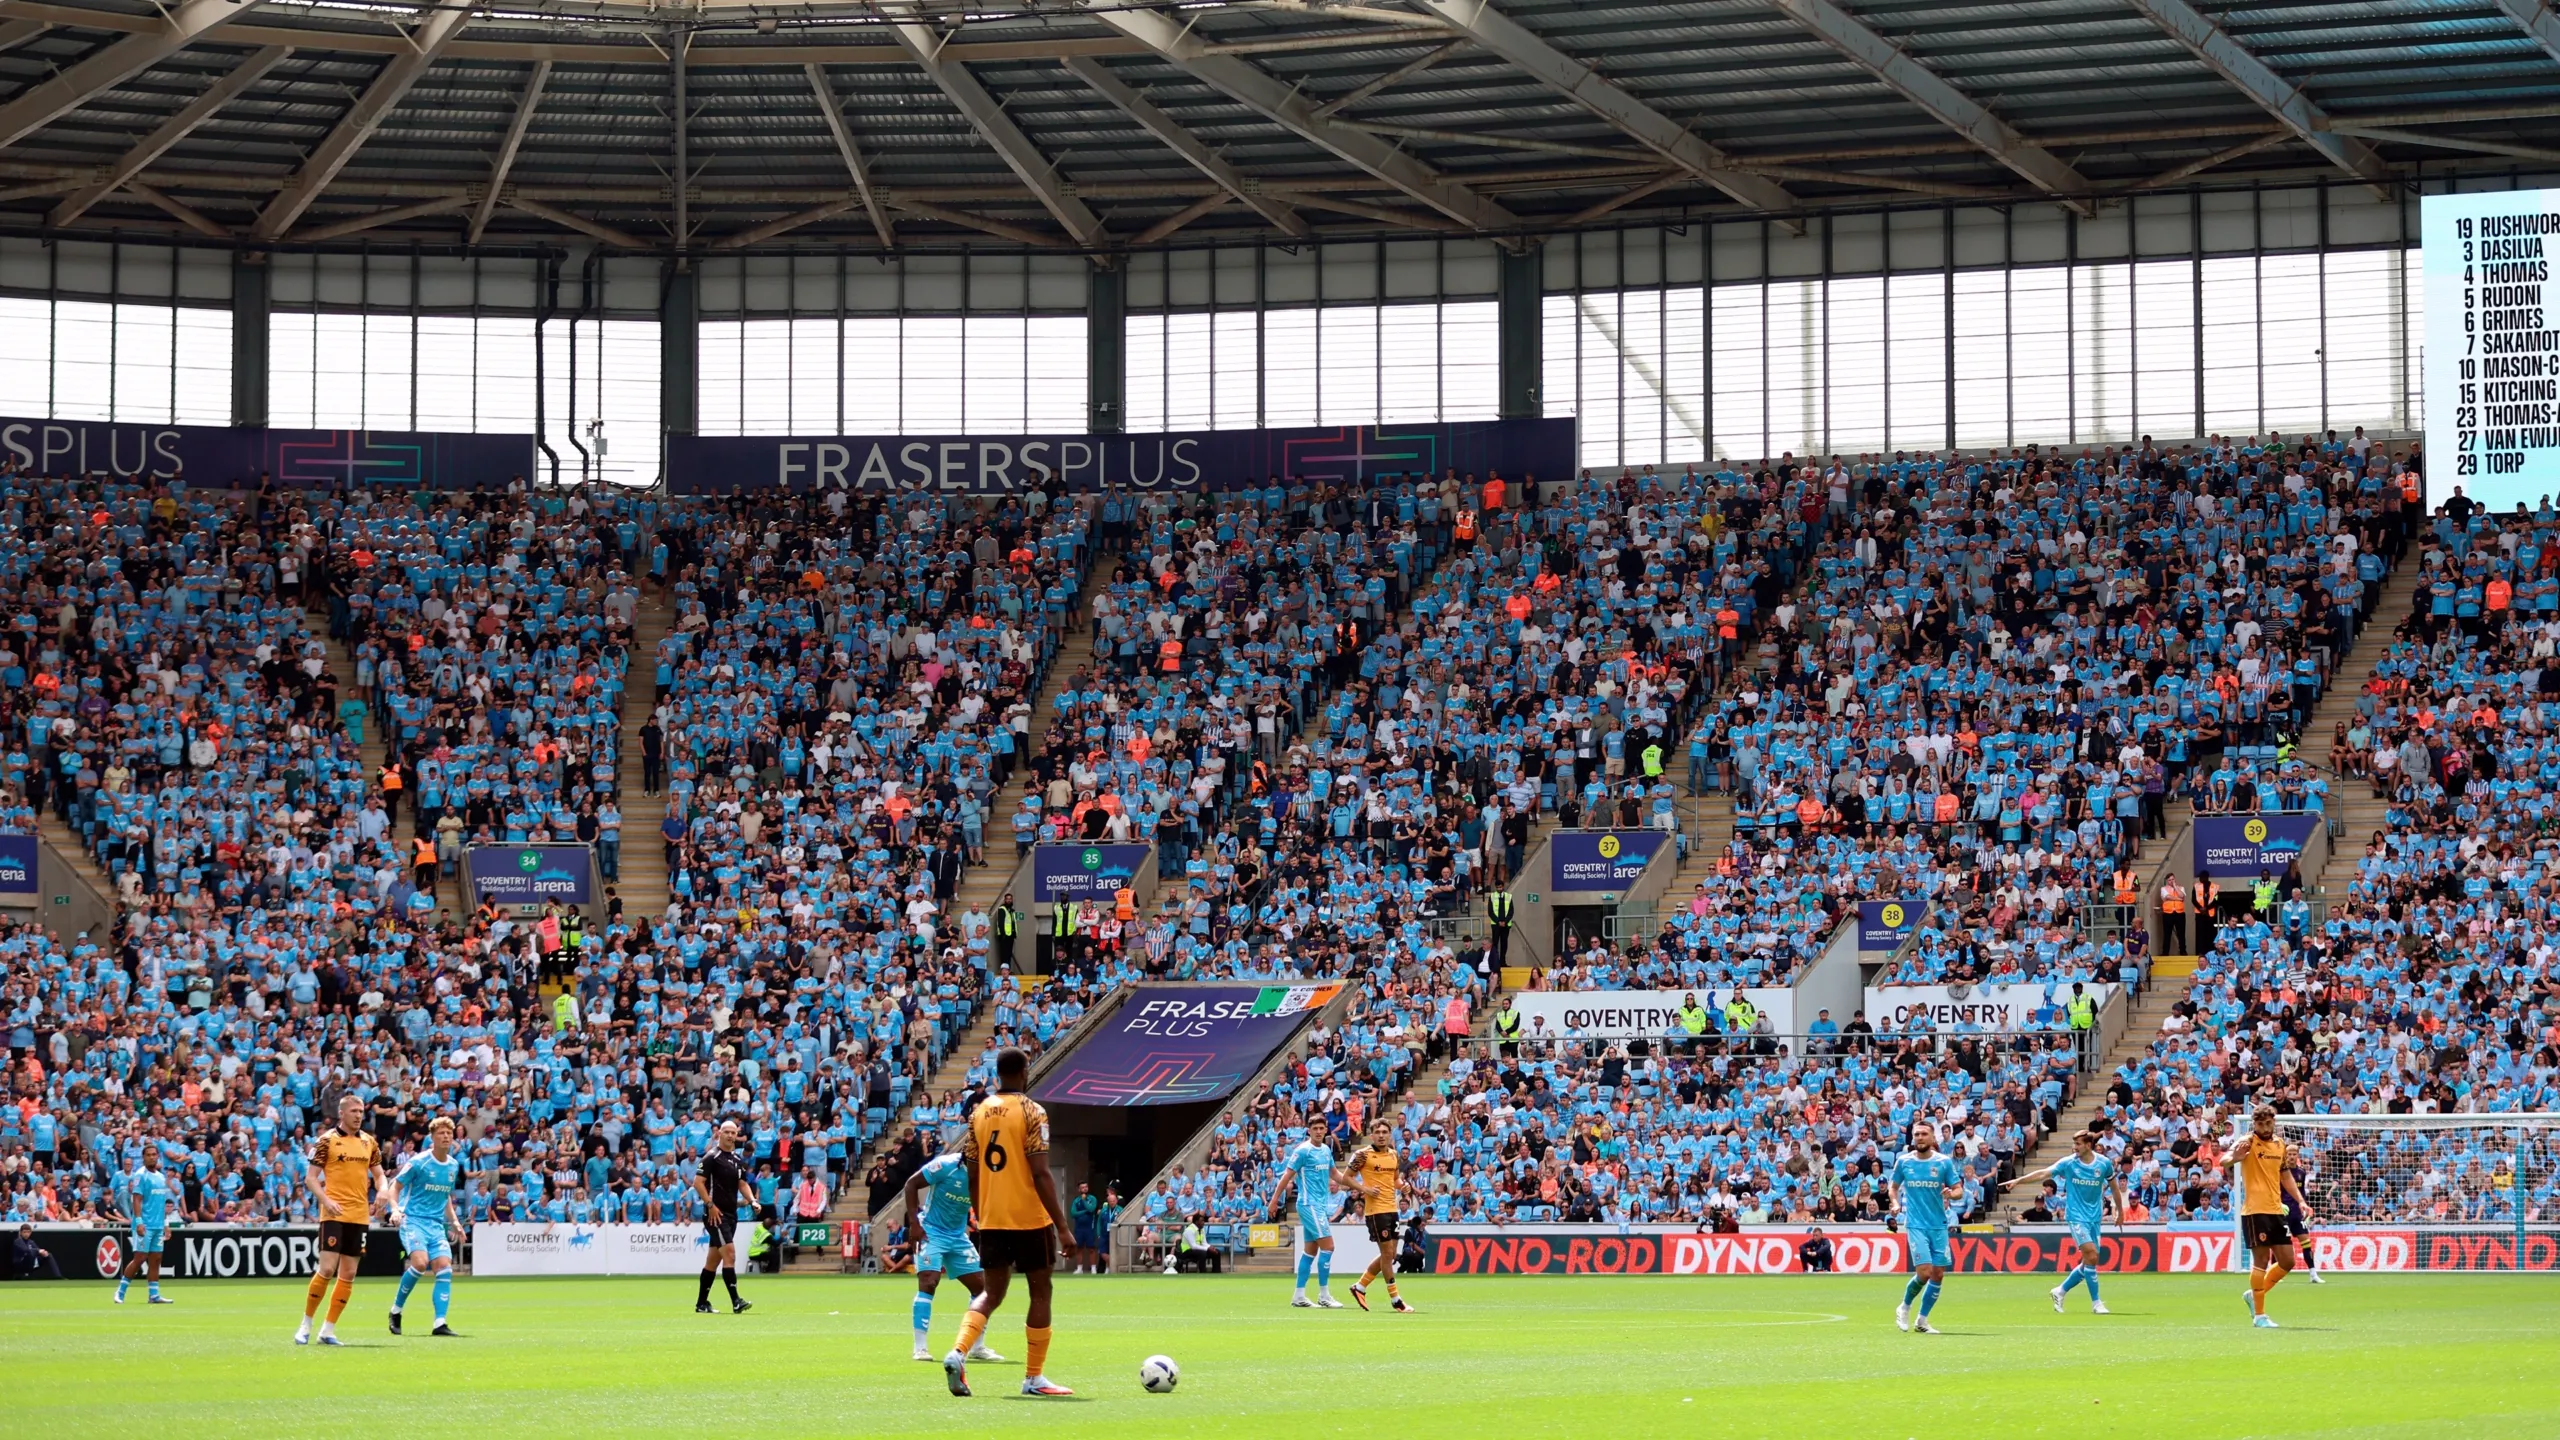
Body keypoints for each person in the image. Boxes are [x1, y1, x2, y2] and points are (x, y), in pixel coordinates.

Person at [943, 1048, 1075, 1399]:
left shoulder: (979, 1113)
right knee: (1041, 1291)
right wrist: (1062, 1227)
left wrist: (981, 1212)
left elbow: (973, 1173)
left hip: (992, 1218)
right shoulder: (1033, 1111)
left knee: (991, 1293)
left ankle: (958, 1351)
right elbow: (1041, 1172)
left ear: (998, 1074)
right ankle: (1034, 1378)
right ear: (1024, 1072)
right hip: (1029, 1217)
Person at [2004, 1129, 2126, 1315]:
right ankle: (2096, 1303)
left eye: (2078, 1144)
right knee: (2091, 1255)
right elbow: (2043, 1173)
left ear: (2088, 1145)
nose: (2074, 1147)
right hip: (2076, 1216)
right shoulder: (2069, 1163)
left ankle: (2060, 1291)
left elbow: (2114, 1188)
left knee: (2089, 1261)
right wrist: (2019, 1180)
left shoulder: (2104, 1164)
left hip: (2094, 1217)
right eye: (2074, 1143)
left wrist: (2120, 1211)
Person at [298, 1094, 387, 1346]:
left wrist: (382, 1189)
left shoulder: (369, 1142)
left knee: (348, 1274)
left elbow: (379, 1175)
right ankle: (305, 1324)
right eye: (354, 1111)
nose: (359, 1115)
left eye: (361, 1111)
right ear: (342, 1113)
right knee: (327, 1269)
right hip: (333, 1213)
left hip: (359, 1215)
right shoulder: (326, 1140)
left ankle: (327, 1330)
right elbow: (311, 1178)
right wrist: (326, 1201)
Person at [901, 1148, 1003, 1364]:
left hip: (957, 1236)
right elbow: (911, 1184)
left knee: (983, 1288)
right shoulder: (945, 1166)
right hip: (931, 1231)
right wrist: (914, 1224)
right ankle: (920, 1348)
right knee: (929, 1282)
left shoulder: (987, 1174)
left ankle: (977, 1346)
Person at [2232, 1106, 2311, 1328]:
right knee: (2261, 1260)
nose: (2265, 1128)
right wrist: (2233, 1157)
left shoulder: (2280, 1145)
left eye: (2268, 1123)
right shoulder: (2247, 1142)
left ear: (2273, 1122)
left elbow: (2285, 1176)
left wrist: (2300, 1200)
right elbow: (2227, 1158)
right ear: (2254, 1124)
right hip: (2255, 1211)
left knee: (2288, 1261)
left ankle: (2254, 1294)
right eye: (2260, 1124)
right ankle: (2259, 1316)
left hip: (2276, 1210)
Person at [387, 1116, 466, 1336]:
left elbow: (445, 1195)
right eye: (441, 1133)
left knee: (444, 1267)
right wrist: (395, 1209)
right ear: (432, 1137)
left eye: (449, 1133)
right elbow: (395, 1186)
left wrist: (455, 1222)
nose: (446, 1136)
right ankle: (396, 1310)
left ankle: (440, 1323)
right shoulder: (419, 1162)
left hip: (436, 1224)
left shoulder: (453, 1165)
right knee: (420, 1264)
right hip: (413, 1219)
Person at [1888, 1120, 1963, 1335]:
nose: (1920, 1137)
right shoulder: (1904, 1162)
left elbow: (1958, 1190)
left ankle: (1922, 1320)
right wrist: (1895, 1203)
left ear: (1932, 1137)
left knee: (1938, 1274)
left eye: (1924, 1134)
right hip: (1916, 1224)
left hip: (1938, 1225)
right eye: (1917, 1134)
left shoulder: (1943, 1162)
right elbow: (1893, 1188)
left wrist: (1951, 1194)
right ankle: (1904, 1306)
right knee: (1925, 1271)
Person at [1344, 1118, 1415, 1313]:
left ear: (1390, 1135)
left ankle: (1360, 1287)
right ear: (1371, 1135)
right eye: (1378, 1132)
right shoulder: (1362, 1155)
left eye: (1385, 1132)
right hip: (1376, 1212)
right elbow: (1346, 1178)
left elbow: (1395, 1180)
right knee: (1387, 1254)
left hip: (1392, 1209)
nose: (1381, 1135)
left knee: (1390, 1255)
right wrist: (1364, 1189)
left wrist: (1404, 1186)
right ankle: (1396, 1299)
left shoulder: (1393, 1154)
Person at [1273, 1122, 1342, 1309]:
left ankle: (1299, 1296)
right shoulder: (1303, 1151)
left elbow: (1335, 1174)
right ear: (1309, 1131)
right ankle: (1324, 1295)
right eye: (1315, 1129)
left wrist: (1359, 1186)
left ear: (1326, 1130)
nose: (1318, 1132)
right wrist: (1274, 1200)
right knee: (1328, 1247)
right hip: (1308, 1204)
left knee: (1310, 1251)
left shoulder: (1326, 1150)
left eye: (1321, 1128)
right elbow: (1286, 1176)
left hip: (1319, 1205)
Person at [692, 1119, 753, 1315]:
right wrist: (710, 1205)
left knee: (713, 1261)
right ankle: (736, 1301)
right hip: (715, 1215)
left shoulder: (737, 1159)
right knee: (730, 1254)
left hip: (731, 1214)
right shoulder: (711, 1157)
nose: (730, 1135)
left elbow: (742, 1184)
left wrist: (752, 1200)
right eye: (726, 1132)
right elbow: (698, 1183)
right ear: (719, 1134)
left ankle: (702, 1304)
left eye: (733, 1133)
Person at [113, 1143, 186, 1305]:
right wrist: (138, 1222)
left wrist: (166, 1224)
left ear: (158, 1156)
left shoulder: (160, 1177)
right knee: (139, 1258)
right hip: (145, 1224)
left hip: (158, 1225)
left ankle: (154, 1295)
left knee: (156, 1258)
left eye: (154, 1154)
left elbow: (161, 1203)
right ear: (144, 1157)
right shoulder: (140, 1176)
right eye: (149, 1155)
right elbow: (136, 1199)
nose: (152, 1157)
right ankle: (120, 1291)